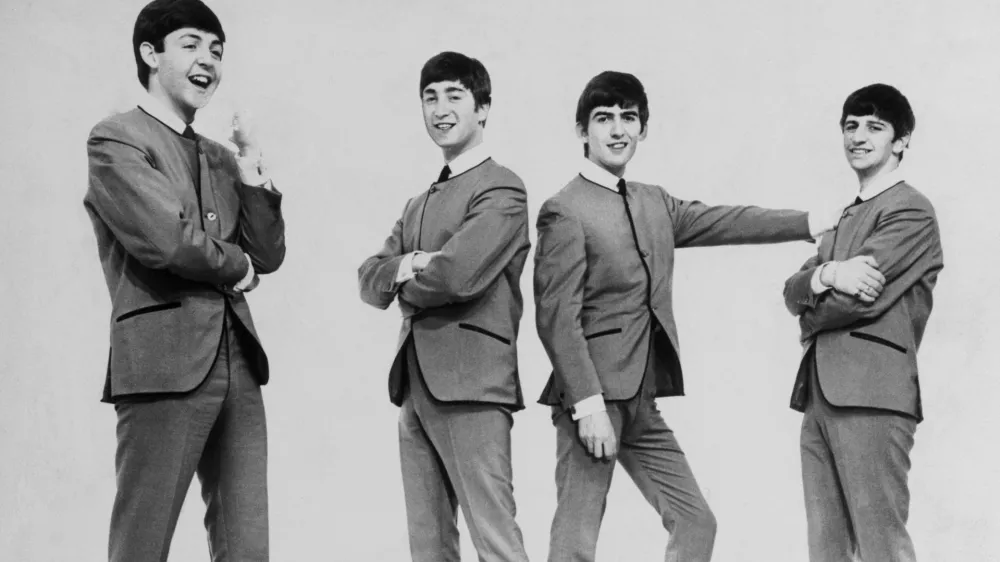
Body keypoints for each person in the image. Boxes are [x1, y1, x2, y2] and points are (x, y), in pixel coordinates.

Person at [533, 70, 838, 562]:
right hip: (591, 401)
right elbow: (555, 317)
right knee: (575, 541)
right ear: (581, 130)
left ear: (642, 129)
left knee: (696, 522)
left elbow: (725, 220)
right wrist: (588, 407)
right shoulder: (564, 210)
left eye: (628, 118)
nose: (617, 130)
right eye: (603, 118)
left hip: (641, 400)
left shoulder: (652, 201)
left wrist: (806, 222)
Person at [83, 1, 286, 560]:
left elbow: (267, 255)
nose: (209, 61)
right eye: (192, 44)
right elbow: (166, 240)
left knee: (247, 541)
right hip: (161, 364)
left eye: (217, 51)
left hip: (239, 361)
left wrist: (252, 174)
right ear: (150, 54)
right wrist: (236, 266)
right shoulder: (116, 139)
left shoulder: (221, 157)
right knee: (143, 540)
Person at [358, 51, 531, 562]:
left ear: (482, 108)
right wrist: (413, 262)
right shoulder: (418, 202)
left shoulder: (502, 187)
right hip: (414, 386)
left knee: (496, 541)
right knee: (428, 547)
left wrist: (401, 277)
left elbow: (458, 275)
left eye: (455, 95)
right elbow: (369, 280)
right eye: (430, 97)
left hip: (474, 384)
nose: (440, 108)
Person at [782, 83, 944, 562]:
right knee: (826, 549)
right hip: (819, 395)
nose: (859, 136)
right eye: (851, 126)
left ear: (901, 141)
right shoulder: (841, 219)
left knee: (881, 546)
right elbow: (791, 290)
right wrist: (827, 275)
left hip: (873, 394)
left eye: (875, 127)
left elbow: (858, 304)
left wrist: (810, 304)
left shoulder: (910, 210)